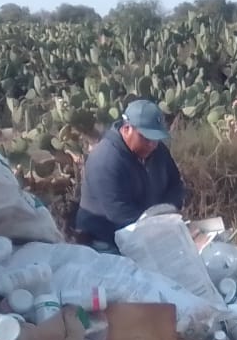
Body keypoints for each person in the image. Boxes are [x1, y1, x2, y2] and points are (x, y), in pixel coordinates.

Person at [75, 99, 186, 251]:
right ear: (127, 128)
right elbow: (120, 214)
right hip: (105, 240)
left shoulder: (156, 150)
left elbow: (175, 184)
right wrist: (158, 228)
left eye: (156, 139)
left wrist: (168, 211)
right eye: (146, 138)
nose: (152, 145)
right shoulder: (105, 160)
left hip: (147, 229)